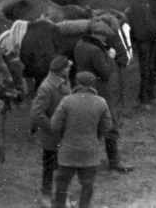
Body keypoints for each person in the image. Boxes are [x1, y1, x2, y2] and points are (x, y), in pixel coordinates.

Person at [72, 20, 130, 173]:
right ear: (97, 34)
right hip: (99, 92)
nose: (105, 39)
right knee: (110, 124)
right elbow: (105, 73)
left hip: (81, 90)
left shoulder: (80, 44)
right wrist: (110, 57)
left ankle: (83, 160)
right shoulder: (96, 51)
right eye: (104, 36)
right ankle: (114, 161)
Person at [48, 71, 113, 208]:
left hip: (68, 151)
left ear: (77, 83)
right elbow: (107, 126)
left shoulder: (67, 101)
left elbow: (54, 125)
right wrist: (95, 136)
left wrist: (65, 136)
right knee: (87, 185)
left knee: (62, 183)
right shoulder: (101, 102)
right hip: (90, 151)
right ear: (93, 85)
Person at [30, 55, 72, 208]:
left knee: (65, 167)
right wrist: (52, 128)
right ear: (61, 70)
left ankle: (62, 195)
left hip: (65, 134)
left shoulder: (64, 80)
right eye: (67, 67)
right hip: (52, 137)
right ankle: (46, 195)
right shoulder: (47, 87)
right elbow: (36, 113)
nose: (69, 69)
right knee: (49, 168)